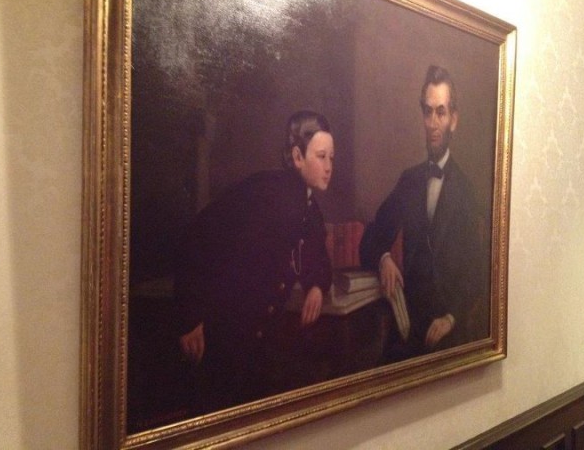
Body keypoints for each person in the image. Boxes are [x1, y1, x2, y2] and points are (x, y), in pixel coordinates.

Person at [174, 110, 334, 413]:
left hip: (261, 341)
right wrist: (190, 317)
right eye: (321, 157)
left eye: (332, 158)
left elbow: (317, 257)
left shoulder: (310, 207)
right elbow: (195, 238)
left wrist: (316, 285)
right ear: (297, 157)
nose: (329, 167)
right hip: (224, 333)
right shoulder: (262, 191)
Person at [360, 65, 486, 359]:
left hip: (449, 333)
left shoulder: (466, 191)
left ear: (454, 120)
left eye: (440, 113)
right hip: (408, 329)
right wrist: (384, 258)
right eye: (427, 112)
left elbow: (477, 273)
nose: (432, 123)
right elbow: (370, 238)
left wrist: (451, 318)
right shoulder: (410, 180)